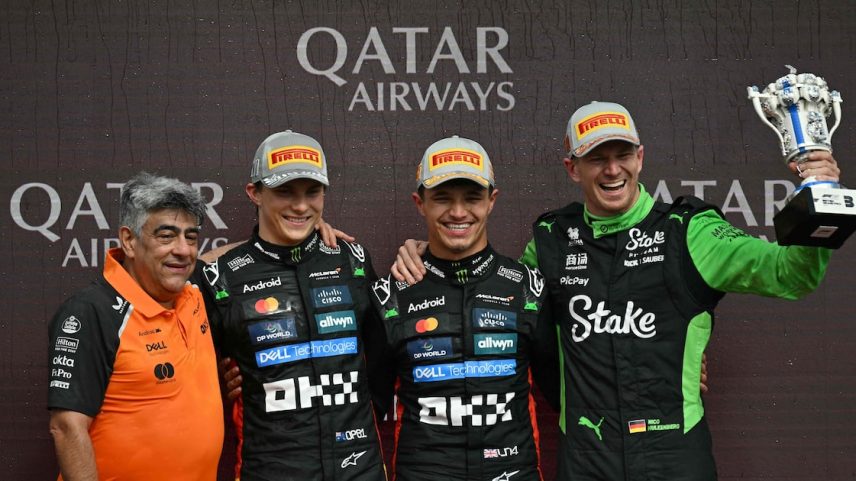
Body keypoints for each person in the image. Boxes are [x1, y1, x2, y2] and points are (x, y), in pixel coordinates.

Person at [393, 101, 839, 480]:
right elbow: (498, 290)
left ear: (640, 157)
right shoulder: (549, 241)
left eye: (622, 153)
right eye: (595, 157)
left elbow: (792, 275)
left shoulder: (690, 231)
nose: (612, 169)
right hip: (587, 457)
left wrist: (821, 199)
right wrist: (426, 256)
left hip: (673, 454)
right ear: (573, 168)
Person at [195, 130, 387, 481]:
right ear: (255, 193)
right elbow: (189, 377)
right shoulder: (217, 277)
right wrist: (216, 384)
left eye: (312, 192)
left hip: (359, 467)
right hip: (269, 469)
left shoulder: (353, 261)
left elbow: (384, 358)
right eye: (285, 191)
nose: (300, 206)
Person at [368, 136, 556, 481]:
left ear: (491, 201)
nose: (458, 212)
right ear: (420, 203)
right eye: (442, 198)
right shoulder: (390, 294)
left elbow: (568, 392)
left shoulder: (529, 287)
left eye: (472, 197)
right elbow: (363, 409)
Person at [47, 172, 223, 480]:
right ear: (129, 241)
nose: (183, 250)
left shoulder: (193, 288)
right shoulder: (92, 312)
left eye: (191, 237)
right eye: (166, 236)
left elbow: (231, 256)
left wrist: (301, 232)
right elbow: (66, 428)